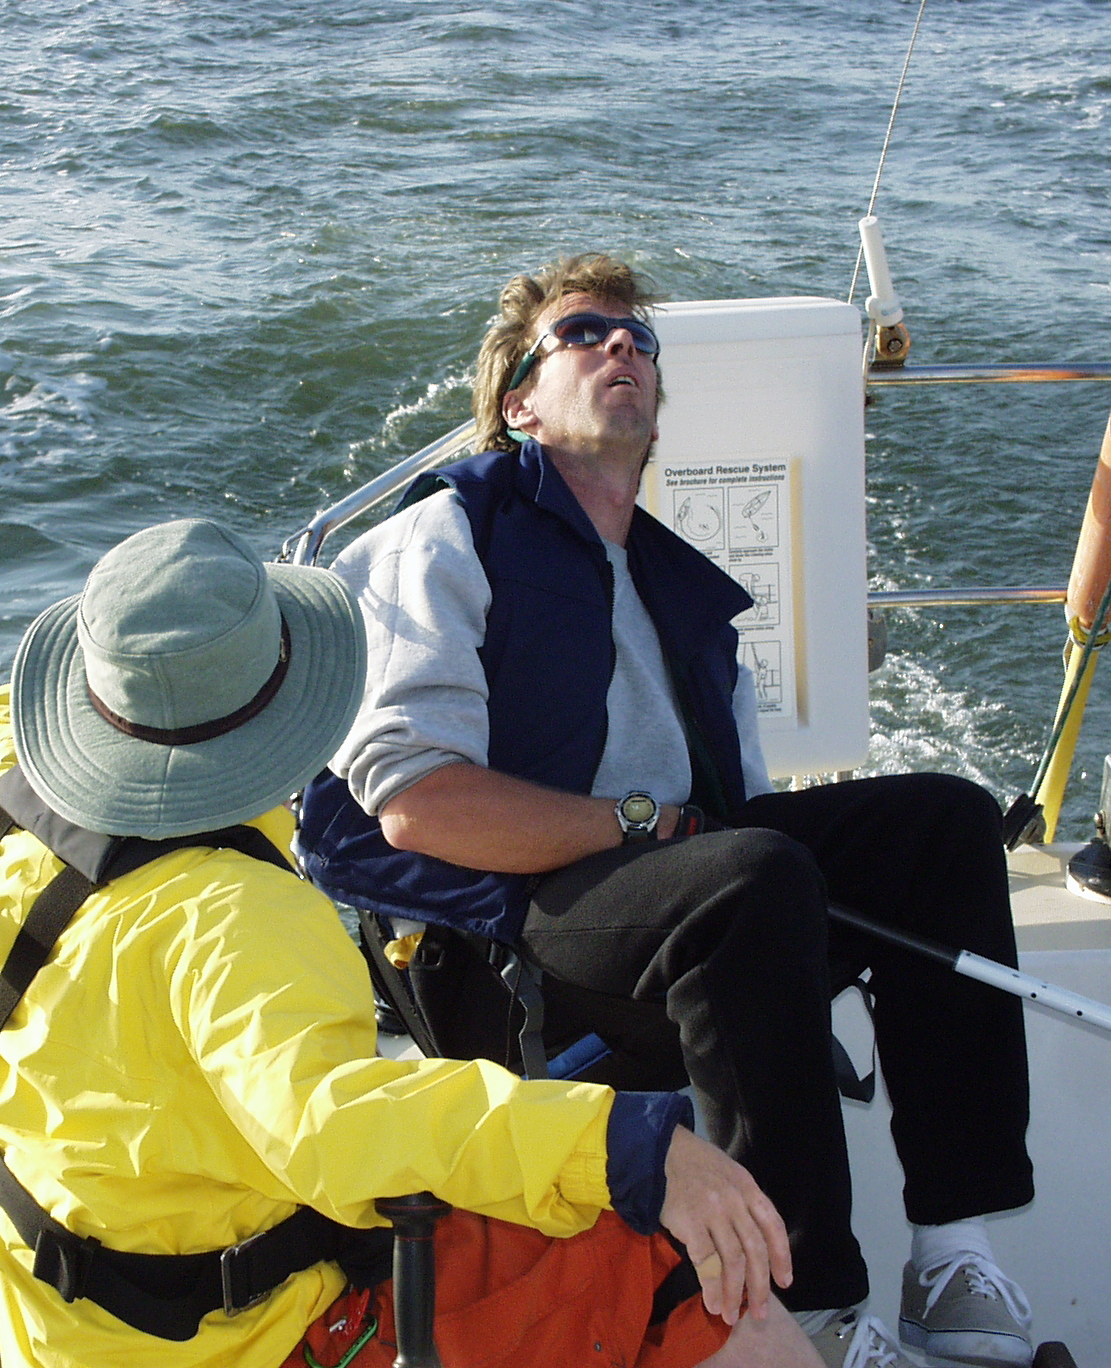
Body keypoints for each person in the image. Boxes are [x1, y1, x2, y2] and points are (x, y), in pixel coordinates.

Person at [298, 254, 1037, 1368]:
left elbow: (745, 820)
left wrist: (690, 843)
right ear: (518, 404)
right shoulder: (446, 536)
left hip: (676, 907)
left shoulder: (683, 593)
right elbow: (417, 805)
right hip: (498, 937)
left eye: (638, 340)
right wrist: (643, 822)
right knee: (749, 880)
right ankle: (807, 1309)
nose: (620, 348)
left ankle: (952, 1253)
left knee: (943, 825)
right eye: (582, 334)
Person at [0, 517, 820, 1368]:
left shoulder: (0, 802)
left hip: (73, 1328)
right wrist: (623, 1144)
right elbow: (334, 1125)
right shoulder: (238, 914)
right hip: (248, 1341)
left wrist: (146, 679)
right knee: (679, 1266)